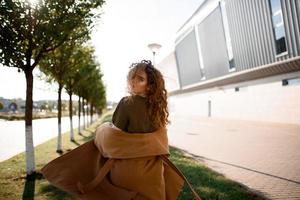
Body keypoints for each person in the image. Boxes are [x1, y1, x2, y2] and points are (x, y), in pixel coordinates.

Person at [111, 59, 169, 133]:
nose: (133, 81)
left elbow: (115, 133)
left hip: (130, 144)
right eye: (132, 77)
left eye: (140, 79)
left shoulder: (126, 102)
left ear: (149, 85)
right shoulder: (158, 105)